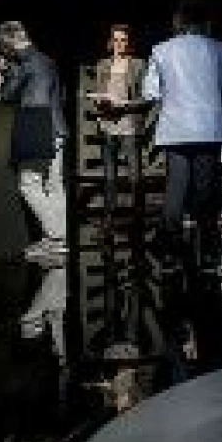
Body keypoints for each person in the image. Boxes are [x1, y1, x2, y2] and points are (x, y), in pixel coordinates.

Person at [143, 0, 222, 363]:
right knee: (205, 192)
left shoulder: (161, 50)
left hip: (175, 128)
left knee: (175, 190)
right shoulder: (219, 49)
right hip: (208, 127)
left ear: (178, 22)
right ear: (206, 22)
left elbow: (151, 92)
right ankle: (208, 253)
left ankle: (169, 252)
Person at [91, 24, 147, 350]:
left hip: (128, 125)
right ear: (109, 42)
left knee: (134, 175)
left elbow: (146, 97)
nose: (120, 44)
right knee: (110, 177)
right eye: (116, 40)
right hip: (107, 125)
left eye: (124, 40)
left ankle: (137, 221)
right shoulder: (102, 65)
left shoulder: (138, 64)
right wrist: (101, 104)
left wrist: (124, 106)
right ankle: (110, 221)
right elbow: (97, 94)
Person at [0, 21, 68, 256]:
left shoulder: (24, 64)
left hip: (37, 126)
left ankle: (56, 235)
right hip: (58, 127)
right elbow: (60, 95)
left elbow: (6, 95)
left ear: (8, 44)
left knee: (28, 184)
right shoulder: (48, 60)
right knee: (54, 185)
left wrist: (6, 71)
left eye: (3, 47)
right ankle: (60, 239)